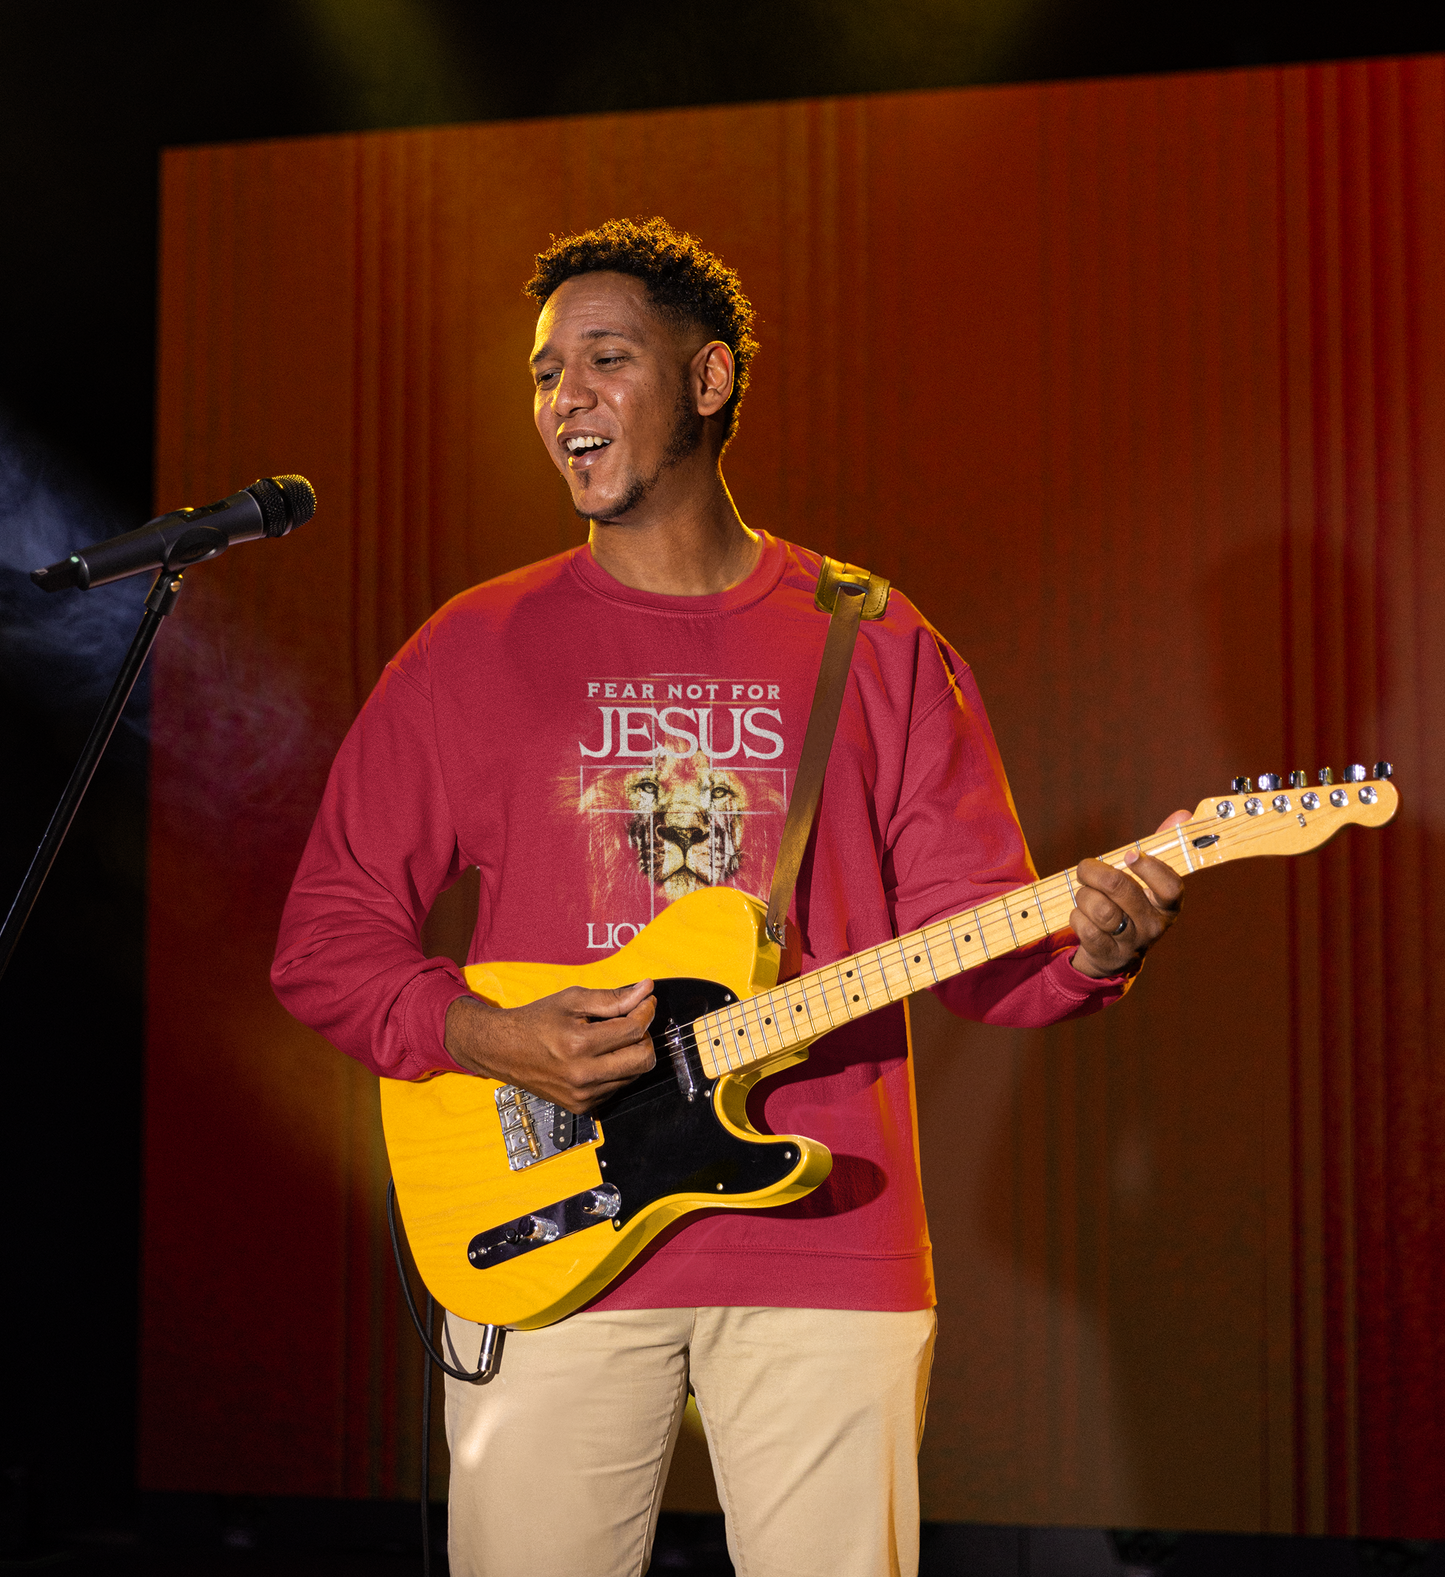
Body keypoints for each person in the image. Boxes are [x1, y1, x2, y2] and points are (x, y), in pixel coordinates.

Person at [272, 216, 1186, 1577]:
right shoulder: (470, 650)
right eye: (543, 373)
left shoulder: (869, 636)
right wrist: (493, 1035)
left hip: (833, 1231)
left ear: (708, 382)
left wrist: (1092, 942)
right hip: (546, 1231)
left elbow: (983, 944)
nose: (563, 397)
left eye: (604, 357)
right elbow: (326, 944)